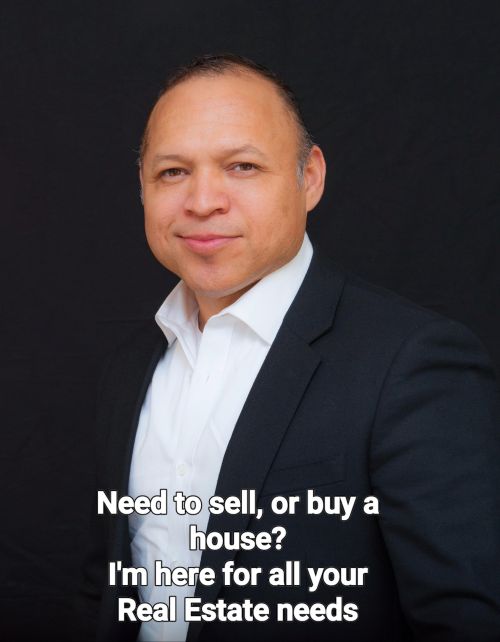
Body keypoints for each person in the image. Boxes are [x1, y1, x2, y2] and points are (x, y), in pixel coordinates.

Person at [74, 54, 500, 642]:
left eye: (242, 166)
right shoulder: (130, 366)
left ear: (310, 178)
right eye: (172, 172)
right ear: (143, 187)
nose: (202, 201)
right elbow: (107, 586)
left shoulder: (413, 364)